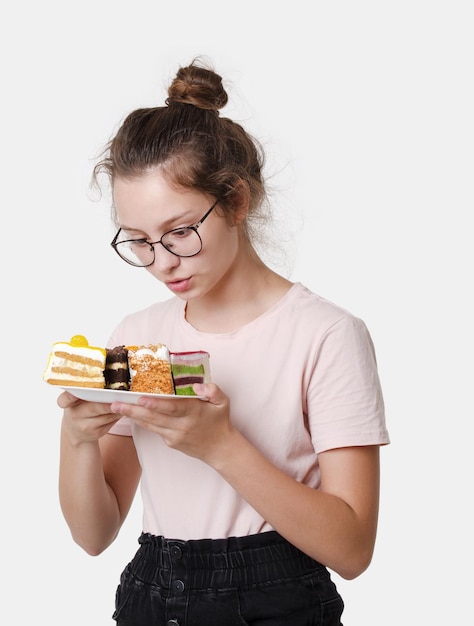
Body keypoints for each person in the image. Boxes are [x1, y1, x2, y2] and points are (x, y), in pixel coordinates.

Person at [57, 58, 390, 626]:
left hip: (277, 597)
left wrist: (221, 446)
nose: (161, 262)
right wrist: (77, 438)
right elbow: (95, 535)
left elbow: (353, 549)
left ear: (237, 200)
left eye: (180, 232)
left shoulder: (327, 334)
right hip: (150, 595)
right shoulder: (137, 335)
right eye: (138, 240)